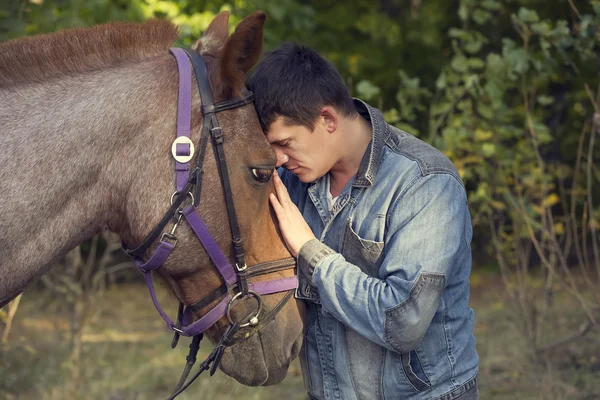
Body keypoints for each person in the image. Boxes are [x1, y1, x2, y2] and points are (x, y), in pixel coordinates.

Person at [247, 43, 479, 400]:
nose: (278, 159)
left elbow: (403, 321)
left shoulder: (426, 183)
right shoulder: (293, 183)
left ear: (327, 119)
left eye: (285, 143)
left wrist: (310, 252)